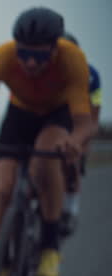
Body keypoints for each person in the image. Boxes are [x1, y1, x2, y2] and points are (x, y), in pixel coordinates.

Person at [0, 7, 92, 276]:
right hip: (19, 115)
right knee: (5, 188)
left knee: (44, 164)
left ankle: (50, 247)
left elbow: (84, 123)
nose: (30, 62)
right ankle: (4, 263)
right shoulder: (0, 59)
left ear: (55, 49)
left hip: (57, 115)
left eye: (40, 56)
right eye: (24, 53)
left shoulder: (73, 60)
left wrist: (75, 141)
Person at [58, 32, 102, 236]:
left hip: (79, 121)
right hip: (53, 120)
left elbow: (94, 114)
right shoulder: (45, 70)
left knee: (72, 160)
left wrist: (82, 141)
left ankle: (71, 206)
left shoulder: (91, 75)